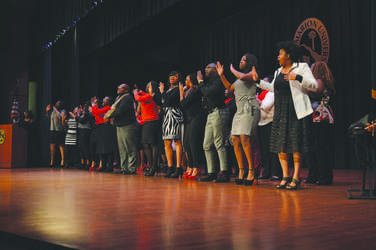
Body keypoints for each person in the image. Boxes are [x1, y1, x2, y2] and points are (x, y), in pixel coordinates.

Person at [257, 41, 318, 190]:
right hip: (280, 111)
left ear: (289, 55)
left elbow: (314, 86)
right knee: (280, 145)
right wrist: (257, 81)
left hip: (296, 110)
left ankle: (295, 177)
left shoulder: (301, 67)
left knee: (296, 144)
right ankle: (285, 176)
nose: (278, 56)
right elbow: (273, 87)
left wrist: (297, 77)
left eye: (280, 54)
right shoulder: (278, 71)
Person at [216, 54, 260, 186]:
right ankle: (241, 170)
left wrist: (232, 70)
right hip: (239, 110)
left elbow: (241, 76)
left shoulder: (253, 73)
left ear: (250, 63)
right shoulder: (238, 79)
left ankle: (251, 171)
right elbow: (229, 89)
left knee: (244, 138)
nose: (240, 61)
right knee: (234, 139)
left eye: (243, 60)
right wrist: (222, 75)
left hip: (250, 108)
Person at [198, 63, 231, 183]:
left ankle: (225, 172)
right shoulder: (211, 81)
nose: (205, 69)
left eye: (208, 67)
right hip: (211, 114)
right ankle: (212, 173)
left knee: (219, 143)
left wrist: (200, 82)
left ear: (215, 69)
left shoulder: (218, 80)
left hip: (219, 112)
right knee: (206, 144)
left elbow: (207, 92)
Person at [305, 61, 335, 185]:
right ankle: (316, 174)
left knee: (320, 147)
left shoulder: (320, 81)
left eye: (312, 68)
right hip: (319, 117)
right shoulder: (324, 81)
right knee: (316, 147)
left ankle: (324, 176)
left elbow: (315, 90)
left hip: (321, 117)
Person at [107, 83, 138, 175]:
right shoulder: (119, 98)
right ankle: (124, 168)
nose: (118, 88)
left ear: (126, 90)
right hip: (120, 125)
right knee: (122, 149)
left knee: (130, 148)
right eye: (119, 87)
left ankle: (131, 169)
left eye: (121, 88)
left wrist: (109, 115)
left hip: (128, 125)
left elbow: (120, 111)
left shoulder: (127, 98)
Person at [179, 73, 205, 180]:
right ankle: (189, 165)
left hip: (196, 118)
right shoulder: (188, 91)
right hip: (188, 119)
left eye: (187, 79)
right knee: (186, 143)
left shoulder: (195, 90)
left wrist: (181, 92)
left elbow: (183, 103)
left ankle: (196, 166)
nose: (185, 81)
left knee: (193, 143)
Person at [134, 81, 161, 176]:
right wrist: (140, 91)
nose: (148, 87)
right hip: (147, 122)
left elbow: (138, 98)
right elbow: (143, 95)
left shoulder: (152, 95)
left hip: (152, 121)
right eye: (148, 86)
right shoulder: (148, 95)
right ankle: (152, 166)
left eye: (150, 86)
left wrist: (136, 93)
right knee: (146, 144)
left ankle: (153, 167)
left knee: (153, 144)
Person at [159, 71, 184, 178]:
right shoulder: (168, 90)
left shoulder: (179, 88)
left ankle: (178, 167)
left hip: (174, 114)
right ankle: (170, 167)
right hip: (166, 116)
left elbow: (168, 101)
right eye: (170, 76)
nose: (172, 77)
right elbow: (163, 102)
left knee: (177, 141)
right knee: (166, 142)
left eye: (175, 76)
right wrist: (162, 92)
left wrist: (162, 92)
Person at [257, 77, 282, 181]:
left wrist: (257, 100)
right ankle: (267, 171)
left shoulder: (272, 93)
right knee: (265, 150)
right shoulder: (266, 94)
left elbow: (265, 106)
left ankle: (276, 172)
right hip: (263, 123)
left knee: (273, 150)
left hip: (270, 123)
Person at [91, 96, 116, 171]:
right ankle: (104, 165)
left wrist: (94, 105)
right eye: (104, 99)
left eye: (105, 100)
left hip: (107, 128)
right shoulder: (102, 109)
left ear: (109, 102)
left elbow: (97, 112)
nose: (103, 101)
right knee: (101, 148)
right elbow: (96, 114)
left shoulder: (108, 108)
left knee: (107, 148)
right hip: (101, 128)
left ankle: (110, 166)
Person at [46, 100, 66, 168]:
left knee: (61, 146)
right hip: (52, 130)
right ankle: (52, 161)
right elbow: (49, 117)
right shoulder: (53, 111)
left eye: (59, 103)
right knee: (52, 146)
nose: (57, 104)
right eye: (57, 103)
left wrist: (57, 111)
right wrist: (47, 111)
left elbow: (61, 117)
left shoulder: (63, 111)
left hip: (59, 130)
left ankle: (62, 161)